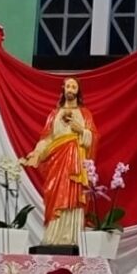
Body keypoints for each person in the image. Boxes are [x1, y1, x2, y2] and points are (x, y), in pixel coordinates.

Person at [22, 77, 97, 247]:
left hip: (75, 161)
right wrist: (37, 153)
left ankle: (71, 237)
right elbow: (47, 138)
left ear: (78, 91)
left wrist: (82, 131)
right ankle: (54, 237)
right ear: (63, 90)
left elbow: (93, 138)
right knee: (56, 195)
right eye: (68, 86)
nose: (70, 89)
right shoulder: (54, 114)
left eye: (74, 86)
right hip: (57, 161)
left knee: (73, 194)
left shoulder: (85, 114)